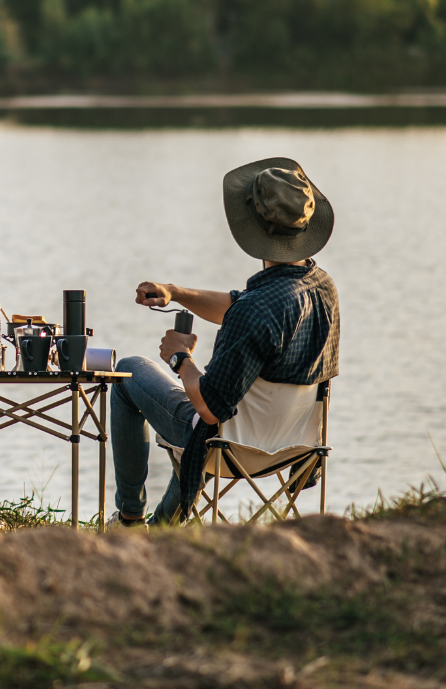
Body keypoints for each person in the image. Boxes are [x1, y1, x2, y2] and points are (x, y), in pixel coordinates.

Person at [110, 158, 340, 526]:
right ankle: (161, 529)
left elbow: (209, 407)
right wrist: (175, 292)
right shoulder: (321, 288)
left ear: (251, 228)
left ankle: (129, 519)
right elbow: (238, 307)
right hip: (292, 446)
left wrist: (179, 357)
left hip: (230, 447)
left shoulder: (256, 310)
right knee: (215, 414)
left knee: (128, 372)